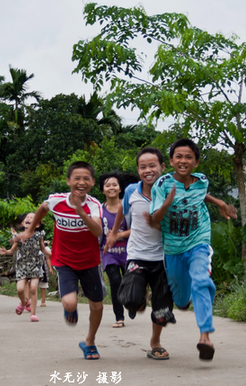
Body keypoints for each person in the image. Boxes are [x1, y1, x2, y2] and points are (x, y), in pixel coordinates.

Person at [149, 139, 237, 361]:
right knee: (180, 301)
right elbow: (154, 219)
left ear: (196, 162)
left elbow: (199, 193)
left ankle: (205, 337)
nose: (183, 160)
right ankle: (184, 299)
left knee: (201, 279)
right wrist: (166, 205)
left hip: (198, 241)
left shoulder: (202, 181)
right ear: (170, 161)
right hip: (172, 249)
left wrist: (219, 203)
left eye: (189, 157)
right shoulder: (162, 185)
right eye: (178, 156)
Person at [16, 161, 104, 360]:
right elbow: (42, 208)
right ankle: (69, 309)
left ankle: (89, 341)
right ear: (68, 181)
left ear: (92, 182)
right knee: (70, 303)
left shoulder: (94, 204)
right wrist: (29, 231)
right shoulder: (56, 200)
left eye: (86, 179)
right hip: (64, 261)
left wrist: (82, 213)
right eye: (77, 178)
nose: (81, 182)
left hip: (90, 262)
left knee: (97, 306)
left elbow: (97, 231)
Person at [104, 147, 175, 360]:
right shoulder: (132, 191)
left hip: (163, 258)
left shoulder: (172, 190)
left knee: (162, 309)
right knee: (131, 299)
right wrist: (114, 233)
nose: (148, 170)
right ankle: (140, 295)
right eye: (143, 167)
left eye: (152, 165)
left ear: (162, 167)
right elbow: (121, 212)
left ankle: (155, 343)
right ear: (138, 169)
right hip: (136, 254)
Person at [0, 213, 50, 322]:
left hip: (35, 265)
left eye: (32, 218)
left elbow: (43, 249)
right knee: (20, 289)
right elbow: (12, 251)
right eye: (27, 218)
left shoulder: (39, 235)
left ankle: (33, 314)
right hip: (22, 265)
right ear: (23, 223)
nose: (29, 218)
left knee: (33, 288)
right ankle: (23, 302)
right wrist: (5, 252)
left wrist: (53, 253)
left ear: (37, 225)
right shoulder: (19, 237)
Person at [98, 172, 131, 328]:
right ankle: (119, 317)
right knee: (115, 281)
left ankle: (132, 304)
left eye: (114, 184)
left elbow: (137, 229)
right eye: (107, 185)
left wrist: (118, 235)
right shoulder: (98, 210)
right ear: (103, 190)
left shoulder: (128, 207)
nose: (111, 187)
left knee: (129, 282)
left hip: (129, 252)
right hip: (108, 253)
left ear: (120, 188)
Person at [39, 240, 53, 307]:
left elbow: (47, 259)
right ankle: (29, 301)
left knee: (43, 285)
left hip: (43, 266)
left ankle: (43, 301)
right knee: (32, 285)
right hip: (34, 266)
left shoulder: (46, 248)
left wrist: (50, 268)